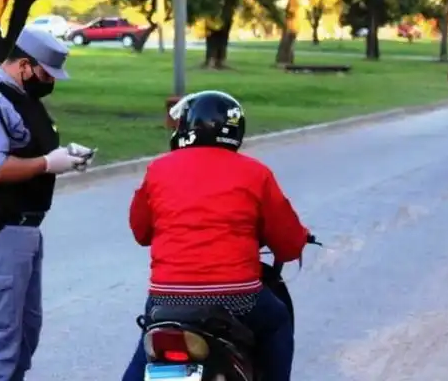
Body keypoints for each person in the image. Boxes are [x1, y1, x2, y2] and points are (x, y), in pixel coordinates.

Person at [122, 90, 309, 381]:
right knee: (277, 322)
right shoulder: (256, 173)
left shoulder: (158, 169)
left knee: (145, 354)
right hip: (238, 299)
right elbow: (287, 243)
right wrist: (297, 241)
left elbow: (141, 231)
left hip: (167, 299)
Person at [0, 26, 96, 381]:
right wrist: (48, 164)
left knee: (24, 335)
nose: (51, 84)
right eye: (47, 75)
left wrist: (65, 157)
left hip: (23, 232)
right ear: (25, 66)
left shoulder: (22, 100)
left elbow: (29, 148)